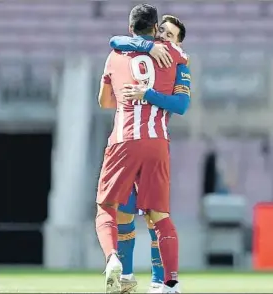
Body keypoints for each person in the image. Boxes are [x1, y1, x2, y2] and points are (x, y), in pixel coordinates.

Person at [96, 4, 188, 293]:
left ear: (130, 26)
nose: (166, 37)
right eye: (162, 30)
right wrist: (149, 45)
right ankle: (163, 283)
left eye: (171, 34)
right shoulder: (176, 56)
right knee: (153, 216)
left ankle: (117, 263)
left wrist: (144, 93)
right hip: (156, 142)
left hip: (123, 141)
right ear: (154, 29)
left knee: (107, 209)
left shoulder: (115, 55)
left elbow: (104, 101)